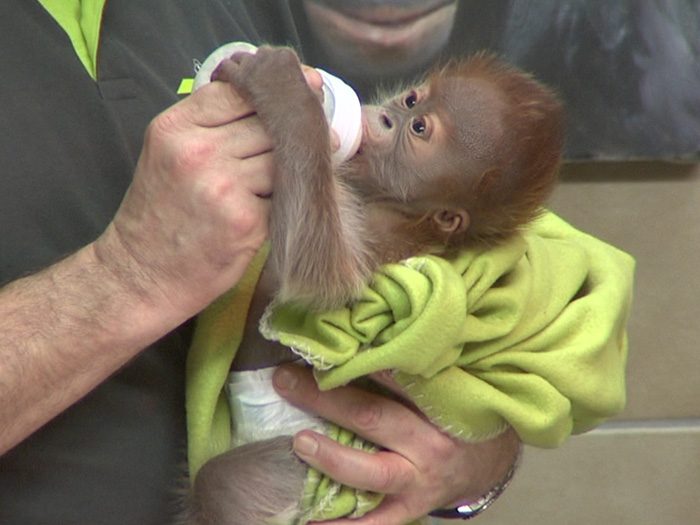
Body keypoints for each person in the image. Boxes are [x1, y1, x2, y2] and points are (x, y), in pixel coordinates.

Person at [0, 1, 521, 523]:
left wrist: (473, 461)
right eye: (410, 102)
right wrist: (129, 272)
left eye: (420, 125)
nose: (391, 114)